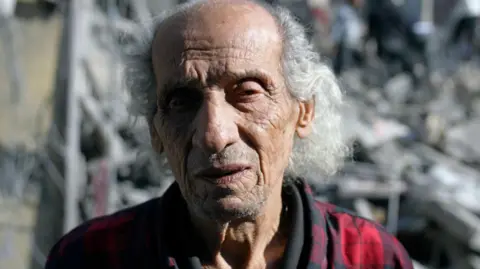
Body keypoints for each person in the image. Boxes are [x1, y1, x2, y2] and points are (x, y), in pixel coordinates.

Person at [45, 1, 414, 268]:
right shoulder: (92, 257)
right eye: (180, 102)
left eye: (248, 92)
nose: (214, 135)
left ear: (303, 112)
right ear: (155, 130)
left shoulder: (369, 257)